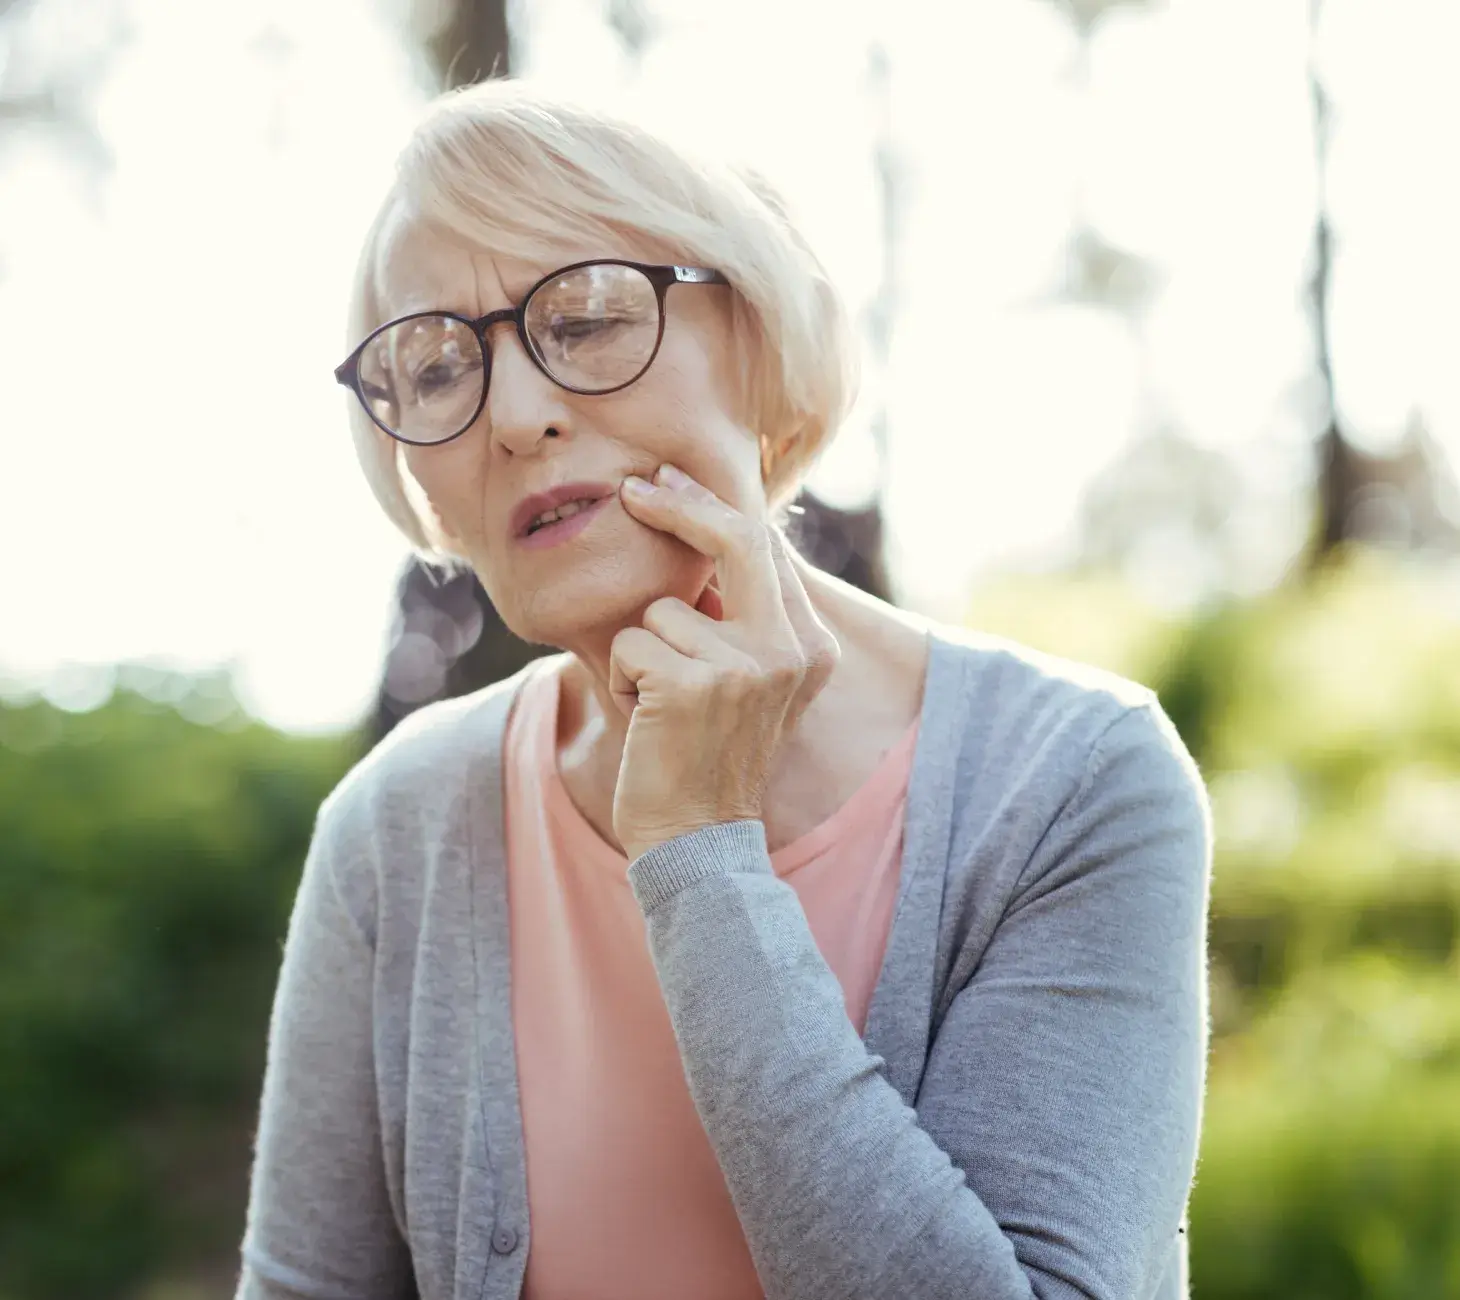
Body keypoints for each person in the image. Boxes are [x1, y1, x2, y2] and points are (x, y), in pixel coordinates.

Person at [236, 78, 1212, 1300]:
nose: (518, 415)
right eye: (435, 369)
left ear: (753, 338)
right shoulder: (395, 826)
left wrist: (699, 853)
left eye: (584, 318)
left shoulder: (1073, 779)